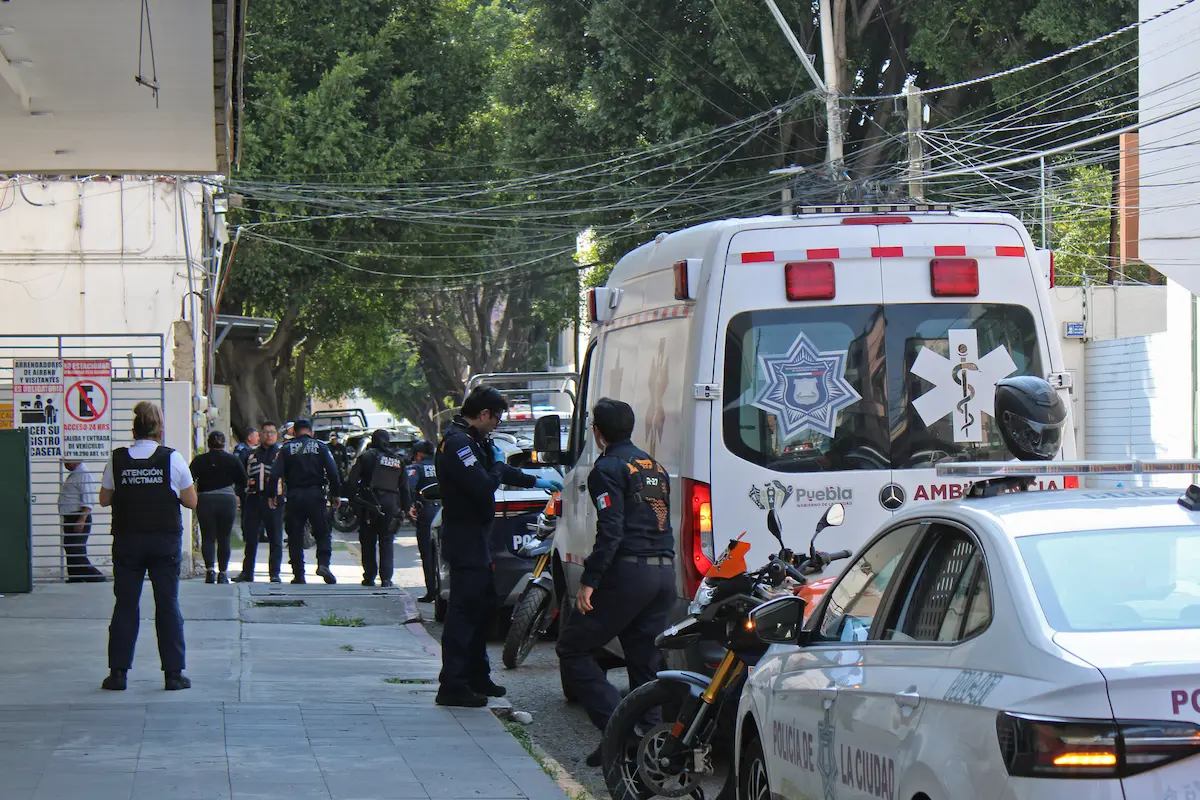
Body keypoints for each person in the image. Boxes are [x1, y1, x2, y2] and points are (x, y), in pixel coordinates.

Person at [556, 398, 675, 766]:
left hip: (629, 573)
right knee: (644, 663)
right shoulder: (653, 466)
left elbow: (611, 530)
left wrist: (590, 581)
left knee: (573, 649)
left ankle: (617, 733)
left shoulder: (606, 468)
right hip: (663, 575)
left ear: (597, 432)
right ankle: (651, 747)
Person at [435, 386, 563, 707]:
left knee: (482, 607)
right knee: (464, 611)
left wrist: (536, 481)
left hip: (477, 536)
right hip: (463, 536)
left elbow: (500, 470)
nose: (497, 425)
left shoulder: (474, 440)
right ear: (483, 415)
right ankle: (453, 684)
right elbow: (483, 485)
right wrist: (494, 466)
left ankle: (477, 675)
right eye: (497, 419)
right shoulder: (457, 444)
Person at [97, 401, 197, 692]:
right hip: (164, 541)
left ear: (134, 429)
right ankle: (174, 674)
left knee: (125, 605)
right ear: (160, 430)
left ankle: (118, 674)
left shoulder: (117, 459)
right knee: (167, 605)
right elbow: (191, 501)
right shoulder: (173, 459)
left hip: (128, 541)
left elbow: (104, 499)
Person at [270, 418, 342, 584]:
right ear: (311, 432)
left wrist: (272, 495)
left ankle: (298, 574)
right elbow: (333, 473)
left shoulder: (286, 449)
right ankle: (323, 563)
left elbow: (275, 475)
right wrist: (336, 494)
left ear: (294, 433)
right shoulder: (321, 447)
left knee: (295, 535)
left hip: (294, 496)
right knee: (322, 532)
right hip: (316, 495)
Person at [347, 429, 411, 587]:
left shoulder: (366, 457)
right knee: (387, 541)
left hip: (369, 505)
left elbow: (352, 481)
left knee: (368, 541)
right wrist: (405, 509)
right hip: (391, 505)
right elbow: (404, 488)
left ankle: (369, 577)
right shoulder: (398, 460)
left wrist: (351, 499)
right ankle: (387, 579)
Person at [189, 430, 248, 584]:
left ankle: (210, 571)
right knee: (224, 538)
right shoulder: (233, 460)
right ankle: (222, 573)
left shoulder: (200, 460)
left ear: (208, 444)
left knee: (208, 536)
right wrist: (238, 495)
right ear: (224, 443)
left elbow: (189, 479)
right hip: (227, 499)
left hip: (206, 499)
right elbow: (244, 481)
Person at [232, 421, 285, 583]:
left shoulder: (282, 454)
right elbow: (240, 476)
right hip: (253, 500)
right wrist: (240, 495)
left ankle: (274, 573)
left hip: (274, 501)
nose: (269, 435)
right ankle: (247, 572)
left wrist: (282, 497)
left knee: (275, 538)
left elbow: (288, 478)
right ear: (260, 435)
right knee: (250, 538)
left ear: (276, 435)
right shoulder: (250, 454)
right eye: (266, 432)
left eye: (272, 432)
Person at [59, 460, 105, 582]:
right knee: (70, 546)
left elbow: (88, 499)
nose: (65, 464)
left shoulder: (84, 475)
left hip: (78, 517)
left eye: (67, 462)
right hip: (71, 517)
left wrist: (82, 519)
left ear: (75, 461)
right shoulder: (75, 475)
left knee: (75, 549)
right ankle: (75, 577)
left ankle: (96, 577)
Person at [407, 440, 439, 603]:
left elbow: (409, 486)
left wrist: (409, 505)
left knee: (428, 554)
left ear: (419, 455)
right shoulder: (443, 464)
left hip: (427, 511)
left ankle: (432, 591)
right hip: (446, 511)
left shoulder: (416, 468)